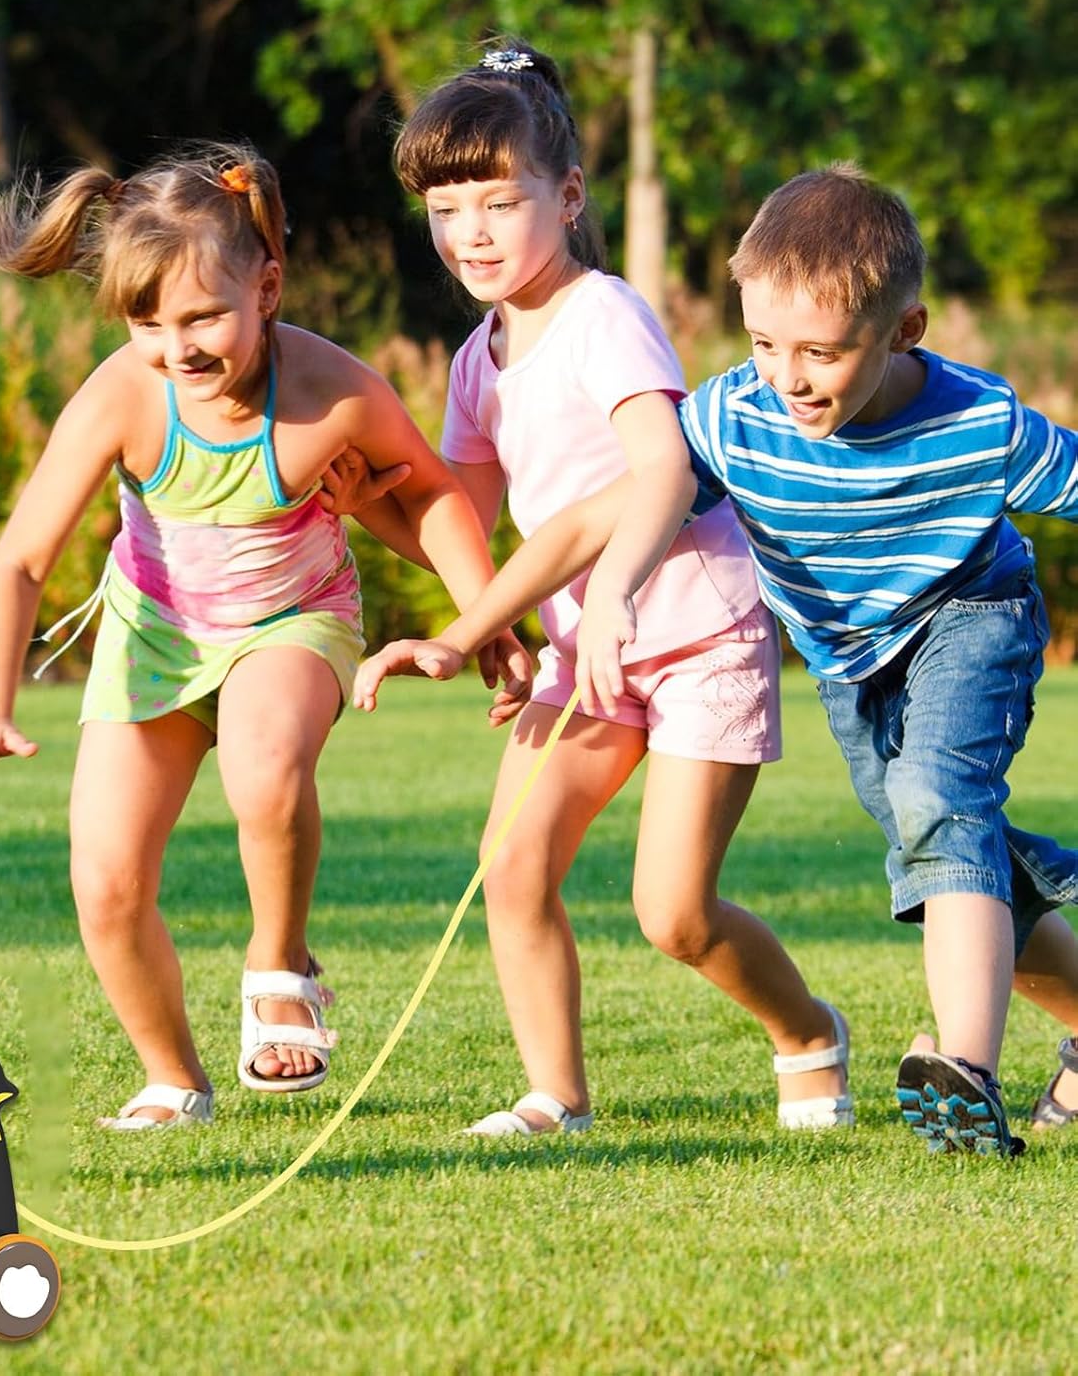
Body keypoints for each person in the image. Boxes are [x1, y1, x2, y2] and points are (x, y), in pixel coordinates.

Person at [358, 161, 1078, 1156]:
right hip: (850, 660)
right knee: (943, 847)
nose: (789, 378)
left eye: (822, 352)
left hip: (972, 616)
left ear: (904, 330)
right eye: (765, 344)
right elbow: (588, 524)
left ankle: (966, 1073)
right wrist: (463, 631)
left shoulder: (979, 423)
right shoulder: (737, 417)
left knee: (939, 808)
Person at [0, 143, 522, 1129]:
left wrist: (487, 620)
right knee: (106, 883)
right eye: (148, 324)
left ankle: (278, 963)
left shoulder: (330, 390)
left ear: (266, 287)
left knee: (263, 769)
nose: (178, 349)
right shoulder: (125, 397)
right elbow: (19, 562)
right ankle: (174, 1077)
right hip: (156, 640)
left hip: (294, 622)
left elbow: (432, 495)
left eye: (203, 317)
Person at [347, 43, 853, 1138]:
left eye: (500, 202)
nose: (471, 232)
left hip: (698, 632)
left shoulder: (604, 315)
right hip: (587, 652)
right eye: (445, 209)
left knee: (673, 914)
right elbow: (461, 526)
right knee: (511, 866)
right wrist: (363, 510)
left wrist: (613, 588)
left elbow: (663, 470)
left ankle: (809, 1033)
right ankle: (555, 1096)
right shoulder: (476, 360)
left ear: (568, 197)